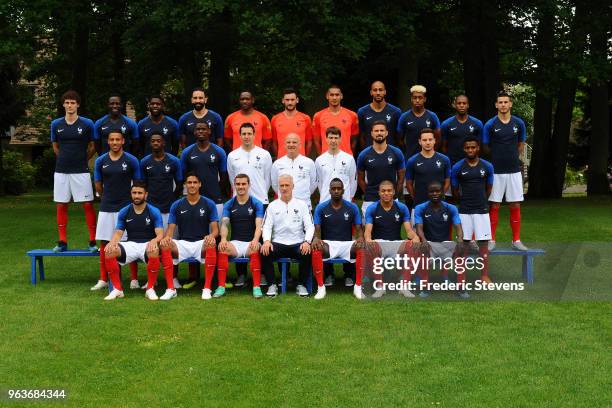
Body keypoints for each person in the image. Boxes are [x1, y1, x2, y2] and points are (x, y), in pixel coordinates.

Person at [92, 131, 141, 291]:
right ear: (108, 142)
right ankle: (103, 278)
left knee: (129, 241)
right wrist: (105, 197)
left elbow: (137, 183)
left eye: (117, 139)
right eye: (112, 139)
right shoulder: (101, 160)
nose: (114, 142)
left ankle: (134, 279)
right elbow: (98, 183)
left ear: (123, 141)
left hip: (126, 207)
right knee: (105, 242)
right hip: (106, 207)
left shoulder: (132, 160)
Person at [102, 182, 169, 301]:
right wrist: (112, 242)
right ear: (131, 194)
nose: (136, 196)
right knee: (109, 251)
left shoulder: (153, 211)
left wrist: (154, 240)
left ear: (146, 194)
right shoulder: (124, 211)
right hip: (131, 244)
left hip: (147, 244)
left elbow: (160, 234)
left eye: (139, 193)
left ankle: (150, 288)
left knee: (154, 250)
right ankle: (117, 289)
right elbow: (118, 232)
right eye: (134, 193)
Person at [50, 90, 97, 253]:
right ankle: (62, 241)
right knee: (61, 204)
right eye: (67, 102)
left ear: (78, 105)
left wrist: (83, 159)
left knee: (87, 204)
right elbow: (55, 146)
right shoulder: (56, 124)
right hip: (61, 170)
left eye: (73, 102)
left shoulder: (87, 123)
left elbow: (92, 146)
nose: (70, 105)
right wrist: (64, 157)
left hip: (81, 170)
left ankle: (92, 241)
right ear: (63, 105)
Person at [159, 173, 219, 300]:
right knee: (165, 244)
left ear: (200, 184)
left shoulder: (209, 204)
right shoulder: (176, 204)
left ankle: (207, 288)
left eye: (195, 182)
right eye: (189, 182)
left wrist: (211, 236)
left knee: (211, 242)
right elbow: (170, 229)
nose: (192, 185)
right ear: (185, 185)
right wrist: (167, 238)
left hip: (201, 243)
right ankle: (170, 288)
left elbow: (215, 230)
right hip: (183, 243)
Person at [227, 123, 273, 287]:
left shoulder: (264, 154)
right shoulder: (232, 155)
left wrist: (260, 195)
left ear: (255, 135)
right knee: (239, 237)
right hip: (239, 202)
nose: (246, 136)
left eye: (249, 133)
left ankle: (260, 274)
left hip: (261, 201)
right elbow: (233, 178)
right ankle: (241, 275)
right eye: (243, 133)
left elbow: (268, 178)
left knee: (259, 238)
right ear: (239, 136)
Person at [483, 91, 528, 251]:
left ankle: (516, 240)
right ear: (496, 105)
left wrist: (512, 156)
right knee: (494, 205)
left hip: (514, 171)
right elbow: (486, 146)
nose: (503, 105)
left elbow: (521, 143)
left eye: (505, 102)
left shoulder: (519, 123)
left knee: (515, 204)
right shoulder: (490, 124)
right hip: (496, 171)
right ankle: (491, 240)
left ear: (510, 104)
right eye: (500, 102)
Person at [140, 133, 183, 289]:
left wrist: (172, 199)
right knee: (152, 245)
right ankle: (153, 278)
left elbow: (179, 182)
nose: (156, 143)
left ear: (164, 143)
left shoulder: (174, 161)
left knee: (171, 243)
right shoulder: (144, 162)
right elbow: (142, 185)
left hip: (169, 209)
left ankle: (174, 277)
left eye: (158, 141)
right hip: (152, 210)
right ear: (150, 144)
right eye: (153, 141)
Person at [364, 181, 420, 298]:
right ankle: (380, 287)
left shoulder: (402, 208)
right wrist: (368, 239)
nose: (386, 193)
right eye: (383, 191)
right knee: (370, 245)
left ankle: (404, 286)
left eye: (389, 191)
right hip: (379, 244)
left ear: (394, 192)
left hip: (396, 244)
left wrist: (415, 237)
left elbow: (408, 230)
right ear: (379, 193)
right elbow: (368, 231)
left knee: (412, 245)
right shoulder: (372, 208)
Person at [261, 174, 314, 297]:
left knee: (307, 252)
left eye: (287, 185)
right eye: (282, 186)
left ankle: (301, 285)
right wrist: (267, 241)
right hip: (279, 243)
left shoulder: (302, 205)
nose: (284, 188)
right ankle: (272, 285)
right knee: (264, 251)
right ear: (278, 187)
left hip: (297, 243)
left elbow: (310, 226)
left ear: (293, 186)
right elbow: (267, 226)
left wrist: (307, 241)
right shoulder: (272, 206)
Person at [311, 179, 365, 299]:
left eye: (338, 188)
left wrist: (360, 237)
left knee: (361, 246)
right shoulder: (321, 207)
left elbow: (359, 228)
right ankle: (321, 287)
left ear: (343, 190)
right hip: (328, 245)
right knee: (315, 248)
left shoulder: (352, 207)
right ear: (329, 190)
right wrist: (316, 238)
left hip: (347, 245)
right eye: (333, 189)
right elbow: (317, 229)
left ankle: (358, 286)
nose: (336, 191)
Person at [451, 136, 494, 284]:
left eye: (473, 147)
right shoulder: (457, 167)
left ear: (478, 148)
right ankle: (461, 277)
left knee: (483, 243)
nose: (470, 150)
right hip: (464, 211)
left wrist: (482, 200)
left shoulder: (487, 166)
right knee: (463, 243)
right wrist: (463, 202)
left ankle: (484, 275)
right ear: (464, 149)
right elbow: (455, 189)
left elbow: (489, 188)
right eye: (468, 147)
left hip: (482, 210)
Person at [217, 174, 265, 298]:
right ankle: (221, 286)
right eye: (238, 184)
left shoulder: (256, 203)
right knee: (222, 247)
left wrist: (255, 240)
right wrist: (223, 239)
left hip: (250, 243)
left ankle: (256, 287)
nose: (241, 186)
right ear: (235, 185)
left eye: (243, 184)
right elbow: (224, 223)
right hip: (236, 243)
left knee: (255, 247)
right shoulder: (229, 204)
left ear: (249, 185)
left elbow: (259, 225)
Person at [413, 181, 465, 298]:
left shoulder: (451, 208)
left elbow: (458, 226)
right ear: (428, 193)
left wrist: (460, 239)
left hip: (446, 244)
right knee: (423, 250)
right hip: (429, 244)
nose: (435, 194)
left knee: (462, 251)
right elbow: (419, 228)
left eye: (438, 191)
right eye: (432, 191)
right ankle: (425, 287)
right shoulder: (420, 208)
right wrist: (424, 240)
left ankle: (461, 287)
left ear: (443, 193)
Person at [357, 121, 405, 216]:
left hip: (391, 199)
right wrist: (369, 192)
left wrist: (393, 194)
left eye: (382, 130)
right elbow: (360, 179)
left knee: (391, 229)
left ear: (386, 132)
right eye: (376, 131)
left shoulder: (396, 152)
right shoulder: (363, 155)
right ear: (372, 133)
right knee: (368, 229)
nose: (379, 133)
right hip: (370, 200)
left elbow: (401, 178)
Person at [181, 122, 228, 219]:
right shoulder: (187, 152)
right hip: (193, 199)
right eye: (198, 129)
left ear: (209, 131)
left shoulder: (219, 151)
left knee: (216, 232)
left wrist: (216, 190)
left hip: (215, 198)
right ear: (194, 132)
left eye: (204, 129)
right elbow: (183, 176)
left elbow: (224, 177)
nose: (201, 131)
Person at [405, 129, 451, 209]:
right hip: (418, 205)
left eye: (430, 139)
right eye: (424, 140)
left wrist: (440, 196)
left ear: (434, 141)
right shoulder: (412, 161)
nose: (427, 142)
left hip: (439, 205)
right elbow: (409, 184)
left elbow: (447, 181)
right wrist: (416, 198)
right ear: (420, 142)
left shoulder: (444, 159)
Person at [271, 133, 317, 210]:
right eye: (288, 142)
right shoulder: (277, 164)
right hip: (284, 207)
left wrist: (303, 194)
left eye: (294, 142)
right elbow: (275, 185)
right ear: (285, 145)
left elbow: (313, 184)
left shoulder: (309, 163)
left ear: (300, 145)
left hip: (304, 206)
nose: (291, 145)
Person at [312, 85, 359, 155]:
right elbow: (316, 140)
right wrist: (321, 156)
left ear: (341, 96)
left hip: (345, 158)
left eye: (337, 95)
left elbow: (354, 139)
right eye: (332, 95)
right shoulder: (318, 116)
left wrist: (349, 155)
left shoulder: (352, 115)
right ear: (327, 96)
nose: (334, 98)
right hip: (326, 158)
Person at [397, 85, 441, 159]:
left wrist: (431, 152)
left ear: (424, 99)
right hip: (410, 157)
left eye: (420, 98)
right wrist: (407, 151)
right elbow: (399, 139)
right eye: (415, 98)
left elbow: (438, 138)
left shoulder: (432, 116)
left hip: (429, 158)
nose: (417, 100)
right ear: (411, 99)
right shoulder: (404, 117)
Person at [315, 126, 357, 204]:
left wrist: (349, 197)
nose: (333, 141)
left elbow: (353, 181)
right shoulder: (319, 160)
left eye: (336, 138)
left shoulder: (349, 159)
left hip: (345, 201)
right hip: (325, 201)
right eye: (330, 138)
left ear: (340, 139)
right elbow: (319, 182)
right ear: (326, 139)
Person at [440, 94, 483, 167]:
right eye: (459, 103)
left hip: (471, 164)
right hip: (452, 164)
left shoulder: (477, 123)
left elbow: (480, 146)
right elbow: (443, 147)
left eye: (464, 103)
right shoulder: (446, 124)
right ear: (455, 105)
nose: (462, 105)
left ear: (468, 105)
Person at [357, 80, 401, 147]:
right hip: (370, 155)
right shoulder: (362, 112)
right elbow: (361, 136)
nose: (378, 93)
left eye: (380, 90)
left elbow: (399, 137)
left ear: (385, 92)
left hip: (390, 155)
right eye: (375, 90)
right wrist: (365, 153)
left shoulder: (395, 112)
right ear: (371, 92)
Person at [271, 88, 313, 157]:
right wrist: (280, 157)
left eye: (292, 100)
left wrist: (304, 157)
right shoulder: (275, 119)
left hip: (300, 161)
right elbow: (274, 143)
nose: (290, 102)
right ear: (283, 101)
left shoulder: (306, 118)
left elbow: (309, 142)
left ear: (297, 100)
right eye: (287, 100)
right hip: (282, 161)